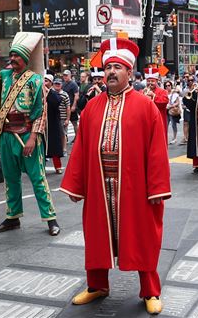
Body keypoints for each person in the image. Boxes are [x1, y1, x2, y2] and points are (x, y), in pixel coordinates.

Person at [61, 37, 170, 315]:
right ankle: (97, 285)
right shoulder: (92, 107)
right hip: (100, 185)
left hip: (135, 187)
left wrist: (156, 188)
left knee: (142, 238)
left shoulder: (146, 107)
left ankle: (150, 291)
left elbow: (157, 150)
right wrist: (76, 184)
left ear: (129, 73)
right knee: (97, 236)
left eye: (117, 67)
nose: (110, 72)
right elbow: (82, 149)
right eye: (107, 67)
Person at [0, 33, 60, 236]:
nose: (12, 59)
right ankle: (12, 217)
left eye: (16, 56)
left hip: (27, 134)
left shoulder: (35, 81)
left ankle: (50, 219)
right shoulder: (2, 76)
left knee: (38, 178)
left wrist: (32, 138)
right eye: (10, 56)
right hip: (7, 135)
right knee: (10, 179)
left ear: (25, 59)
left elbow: (41, 111)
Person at [44, 74, 66, 174]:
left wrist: (48, 92)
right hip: (42, 122)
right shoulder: (38, 92)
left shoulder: (54, 93)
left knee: (55, 146)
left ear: (51, 83)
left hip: (52, 123)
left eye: (47, 81)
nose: (45, 82)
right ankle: (41, 168)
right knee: (42, 146)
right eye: (44, 80)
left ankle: (58, 166)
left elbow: (57, 102)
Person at [144, 67, 169, 139]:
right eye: (148, 81)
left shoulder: (163, 91)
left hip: (159, 119)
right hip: (146, 120)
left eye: (152, 81)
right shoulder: (142, 91)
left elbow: (165, 102)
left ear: (157, 81)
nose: (150, 83)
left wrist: (153, 96)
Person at [62, 69, 80, 139]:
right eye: (64, 75)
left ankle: (77, 138)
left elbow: (76, 95)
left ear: (70, 76)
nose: (65, 77)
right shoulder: (63, 84)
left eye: (66, 75)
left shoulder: (73, 84)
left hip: (71, 106)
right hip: (65, 107)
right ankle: (65, 138)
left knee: (74, 123)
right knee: (64, 123)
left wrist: (74, 105)